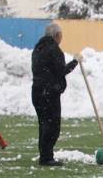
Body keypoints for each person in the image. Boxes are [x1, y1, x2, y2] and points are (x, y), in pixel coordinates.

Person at [31, 23, 81, 167]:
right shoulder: (54, 50)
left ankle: (44, 154)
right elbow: (61, 71)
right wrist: (75, 62)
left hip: (37, 91)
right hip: (49, 93)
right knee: (52, 126)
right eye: (61, 35)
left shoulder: (38, 48)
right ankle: (47, 157)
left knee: (43, 124)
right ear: (57, 35)